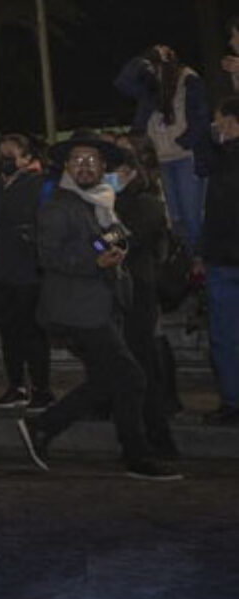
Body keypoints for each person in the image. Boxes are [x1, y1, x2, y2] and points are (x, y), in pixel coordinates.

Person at [15, 132, 181, 480]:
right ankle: (136, 455)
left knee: (112, 379)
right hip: (75, 310)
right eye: (78, 160)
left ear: (103, 166)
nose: (85, 166)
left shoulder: (101, 202)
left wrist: (109, 251)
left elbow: (113, 238)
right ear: (66, 166)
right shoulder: (59, 206)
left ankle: (44, 427)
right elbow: (50, 255)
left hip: (99, 306)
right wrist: (96, 261)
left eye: (92, 160)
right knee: (130, 377)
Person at [0, 134, 53, 409]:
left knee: (31, 332)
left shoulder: (40, 184)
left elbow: (46, 223)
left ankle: (41, 389)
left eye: (10, 155)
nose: (4, 160)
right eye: (0, 154)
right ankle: (16, 386)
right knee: (8, 331)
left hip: (26, 271)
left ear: (26, 158)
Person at [108, 136, 179, 451]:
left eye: (117, 172)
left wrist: (101, 239)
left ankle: (157, 432)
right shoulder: (112, 204)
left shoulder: (146, 203)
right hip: (117, 290)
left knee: (145, 362)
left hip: (139, 290)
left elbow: (124, 239)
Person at [114, 45, 213, 254]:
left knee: (192, 215)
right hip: (161, 158)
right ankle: (183, 261)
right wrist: (143, 59)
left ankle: (199, 261)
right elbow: (123, 82)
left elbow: (201, 116)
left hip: (186, 157)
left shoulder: (188, 80)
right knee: (174, 217)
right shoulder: (150, 87)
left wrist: (184, 141)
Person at [202, 97, 239, 425]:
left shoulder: (223, 161)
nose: (215, 127)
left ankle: (232, 400)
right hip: (222, 261)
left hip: (224, 261)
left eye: (218, 120)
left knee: (226, 337)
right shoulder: (221, 158)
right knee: (225, 337)